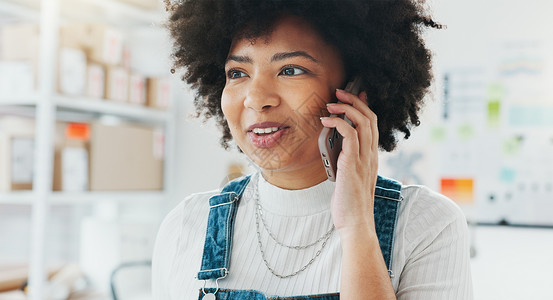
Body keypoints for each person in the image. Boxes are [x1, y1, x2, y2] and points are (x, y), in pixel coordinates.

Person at [153, 0, 473, 299]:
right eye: (238, 73)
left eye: (291, 70)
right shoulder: (186, 225)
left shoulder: (426, 225)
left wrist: (358, 226)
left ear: (354, 92)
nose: (256, 97)